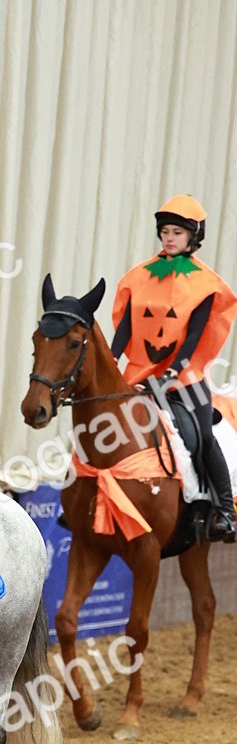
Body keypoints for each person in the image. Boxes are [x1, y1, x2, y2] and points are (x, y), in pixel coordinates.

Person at [111, 194, 237, 542]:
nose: (169, 238)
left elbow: (194, 337)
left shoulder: (205, 285)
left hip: (185, 378)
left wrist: (168, 375)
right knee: (100, 421)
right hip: (139, 374)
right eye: (165, 231)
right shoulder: (139, 277)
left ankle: (225, 509)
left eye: (177, 233)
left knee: (203, 437)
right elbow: (126, 328)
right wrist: (111, 358)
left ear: (192, 237)